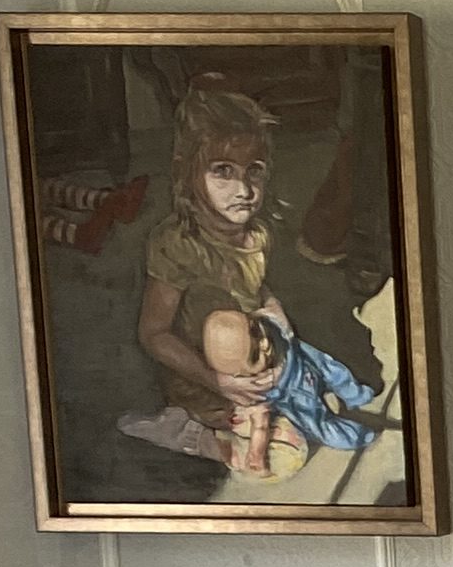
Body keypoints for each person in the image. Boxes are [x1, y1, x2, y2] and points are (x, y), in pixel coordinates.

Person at [122, 78, 387, 476]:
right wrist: (217, 381)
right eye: (222, 172)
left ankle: (307, 394)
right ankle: (189, 433)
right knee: (285, 453)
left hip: (258, 344)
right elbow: (154, 334)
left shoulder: (258, 233)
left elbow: (252, 286)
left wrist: (275, 313)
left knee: (317, 367)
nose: (243, 189)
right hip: (204, 372)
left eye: (254, 172)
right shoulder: (177, 244)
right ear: (187, 174)